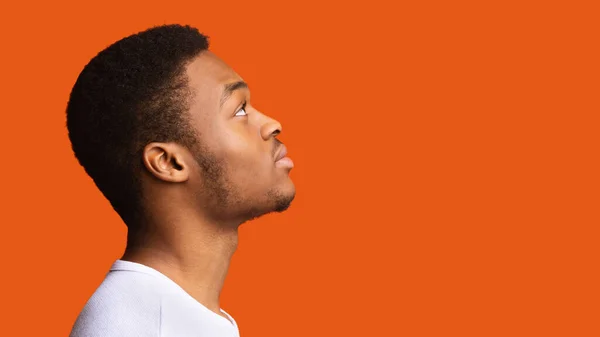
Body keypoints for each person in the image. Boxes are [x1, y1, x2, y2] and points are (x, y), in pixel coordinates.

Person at [66, 24, 296, 337]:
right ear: (169, 162)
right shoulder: (134, 327)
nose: (272, 124)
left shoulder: (172, 316)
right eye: (240, 110)